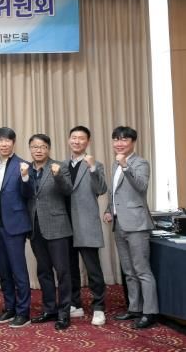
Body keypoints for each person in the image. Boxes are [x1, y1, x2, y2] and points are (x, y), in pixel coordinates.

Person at [104, 126, 158, 329]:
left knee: (142, 270)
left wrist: (126, 166)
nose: (119, 143)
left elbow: (141, 186)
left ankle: (150, 312)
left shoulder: (140, 163)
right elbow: (114, 193)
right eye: (116, 139)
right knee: (128, 271)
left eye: (124, 139)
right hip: (119, 223)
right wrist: (109, 210)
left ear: (133, 142)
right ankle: (135, 308)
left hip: (137, 224)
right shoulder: (114, 164)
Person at [27, 134, 74, 331]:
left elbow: (68, 190)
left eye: (43, 146)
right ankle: (49, 309)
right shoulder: (26, 169)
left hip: (57, 226)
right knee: (43, 271)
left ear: (49, 149)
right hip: (35, 227)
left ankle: (64, 313)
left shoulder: (59, 166)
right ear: (30, 149)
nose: (39, 150)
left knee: (62, 272)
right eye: (35, 147)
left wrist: (58, 175)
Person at [62, 126, 108, 326]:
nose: (77, 141)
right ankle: (75, 304)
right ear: (69, 140)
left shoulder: (95, 165)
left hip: (86, 223)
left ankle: (99, 307)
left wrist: (92, 168)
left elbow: (101, 189)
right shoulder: (62, 165)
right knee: (70, 268)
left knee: (93, 269)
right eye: (74, 137)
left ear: (88, 142)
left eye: (81, 138)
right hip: (65, 224)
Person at [0, 127, 34, 328]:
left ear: (13, 143)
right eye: (0, 140)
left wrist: (25, 177)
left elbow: (28, 193)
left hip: (15, 225)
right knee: (4, 271)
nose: (4, 144)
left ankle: (23, 312)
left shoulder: (23, 165)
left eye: (8, 140)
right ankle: (10, 308)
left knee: (18, 270)